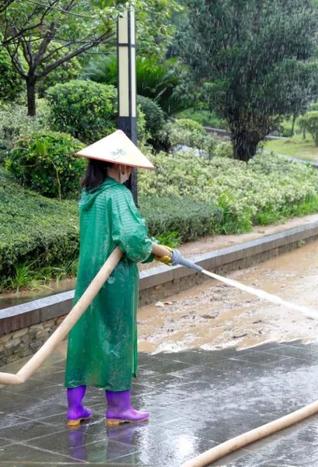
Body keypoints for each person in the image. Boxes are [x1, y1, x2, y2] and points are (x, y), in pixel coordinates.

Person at [65, 130, 194, 427]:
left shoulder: (90, 196)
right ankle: (118, 409)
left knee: (84, 332)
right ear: (121, 166)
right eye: (130, 168)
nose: (131, 173)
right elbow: (133, 239)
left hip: (89, 275)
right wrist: (158, 251)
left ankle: (74, 409)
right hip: (114, 279)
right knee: (117, 335)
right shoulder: (118, 195)